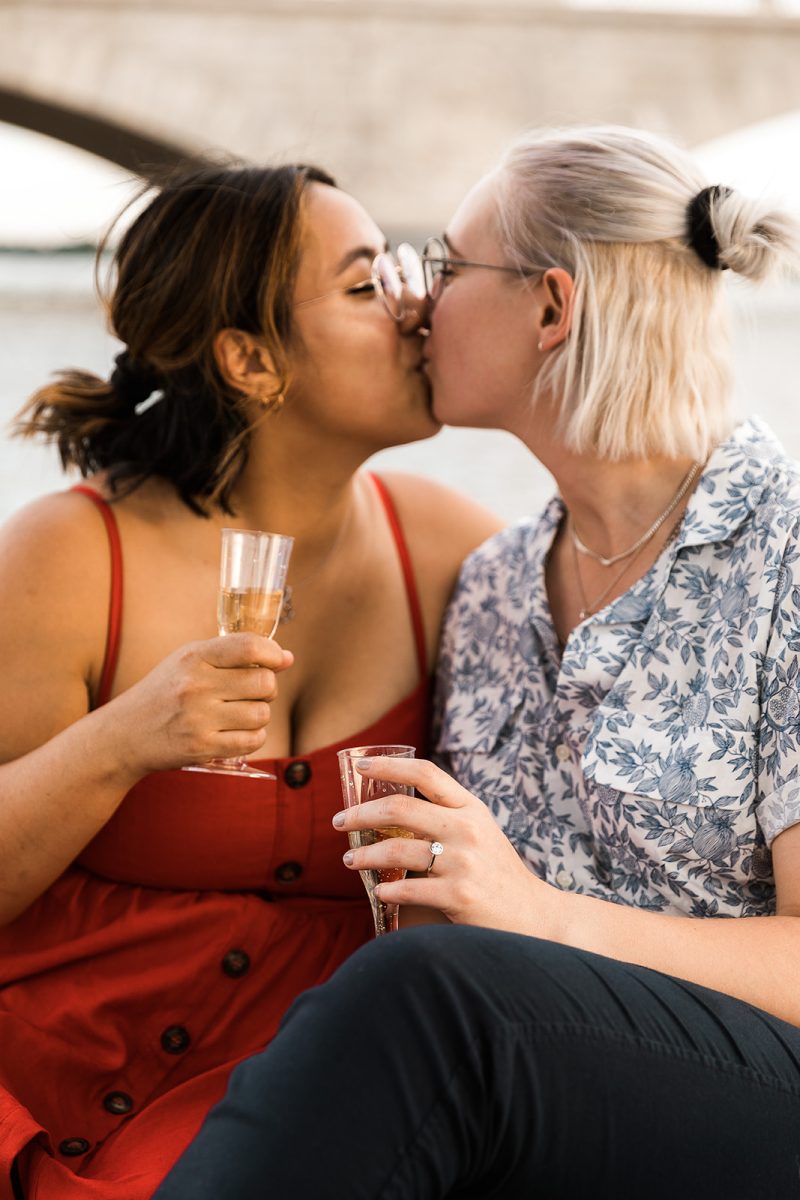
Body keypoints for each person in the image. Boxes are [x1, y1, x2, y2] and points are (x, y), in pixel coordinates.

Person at [154, 127, 800, 1198]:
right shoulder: (493, 587)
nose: (416, 303)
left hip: (760, 1093)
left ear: (551, 308)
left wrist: (537, 916)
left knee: (431, 996)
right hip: (545, 1085)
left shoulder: (785, 552)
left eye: (447, 268)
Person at [0, 164, 500, 1198]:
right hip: (45, 1072)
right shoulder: (70, 557)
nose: (415, 310)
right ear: (250, 360)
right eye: (365, 288)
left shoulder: (452, 553)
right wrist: (120, 740)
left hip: (292, 1096)